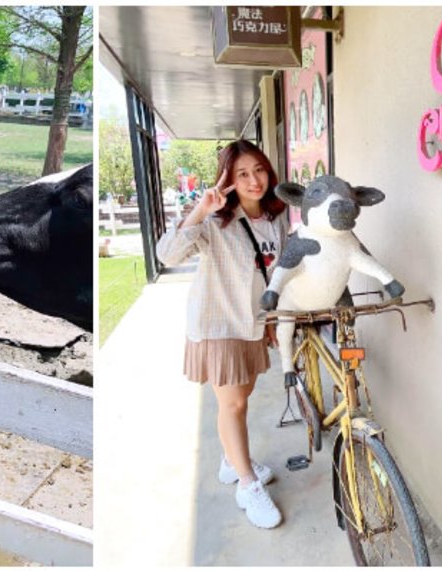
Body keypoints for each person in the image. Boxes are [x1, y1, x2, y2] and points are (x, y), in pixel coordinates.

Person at [156, 140, 289, 529]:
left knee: (241, 398)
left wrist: (273, 320)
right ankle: (247, 485)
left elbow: (276, 272)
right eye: (242, 174)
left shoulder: (275, 217)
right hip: (219, 326)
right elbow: (168, 255)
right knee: (232, 405)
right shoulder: (215, 221)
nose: (254, 180)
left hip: (252, 322)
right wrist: (200, 209)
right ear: (228, 180)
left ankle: (232, 460)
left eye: (259, 170)